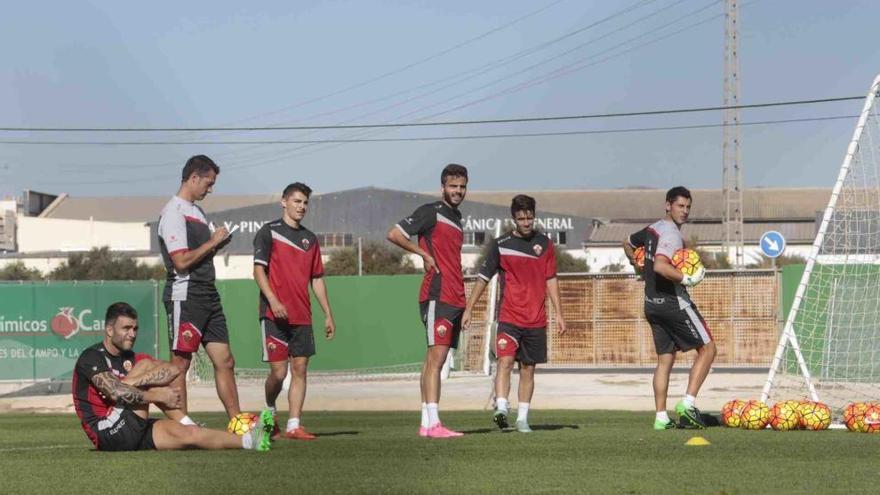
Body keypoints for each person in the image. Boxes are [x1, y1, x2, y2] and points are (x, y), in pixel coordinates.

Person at [72, 302, 274, 451]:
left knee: (190, 435)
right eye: (126, 328)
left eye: (135, 329)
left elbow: (173, 370)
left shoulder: (131, 357)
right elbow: (115, 392)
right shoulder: (91, 356)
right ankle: (186, 421)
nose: (132, 334)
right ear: (109, 330)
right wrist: (157, 396)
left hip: (130, 426)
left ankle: (251, 441)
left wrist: (131, 382)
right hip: (107, 432)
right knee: (146, 367)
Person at [462, 195, 567, 433]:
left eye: (529, 217)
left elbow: (551, 279)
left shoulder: (545, 245)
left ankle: (522, 419)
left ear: (534, 216)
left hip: (536, 318)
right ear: (514, 219)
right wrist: (469, 308)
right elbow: (483, 278)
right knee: (505, 361)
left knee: (528, 369)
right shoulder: (501, 244)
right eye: (521, 219)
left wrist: (559, 313)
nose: (526, 222)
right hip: (509, 317)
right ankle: (501, 407)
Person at [157, 154, 243, 426]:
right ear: (194, 177)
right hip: (186, 294)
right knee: (180, 365)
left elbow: (200, 254)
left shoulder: (197, 212)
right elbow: (181, 262)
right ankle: (183, 426)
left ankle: (237, 422)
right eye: (209, 182)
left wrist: (218, 244)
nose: (211, 188)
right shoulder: (173, 212)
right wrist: (212, 242)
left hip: (208, 294)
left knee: (226, 360)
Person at [386, 163, 468, 438]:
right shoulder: (430, 212)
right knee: (437, 359)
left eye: (462, 187)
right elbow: (394, 234)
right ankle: (434, 423)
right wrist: (423, 253)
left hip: (455, 296)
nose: (457, 191)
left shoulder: (456, 218)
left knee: (434, 360)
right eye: (453, 186)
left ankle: (426, 423)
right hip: (437, 294)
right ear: (442, 187)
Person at [623, 186, 714, 429]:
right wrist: (687, 279)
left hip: (651, 303)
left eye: (688, 207)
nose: (684, 211)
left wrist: (635, 263)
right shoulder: (672, 234)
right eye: (680, 206)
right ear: (667, 205)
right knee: (708, 349)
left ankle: (661, 418)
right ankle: (688, 404)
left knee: (665, 359)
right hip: (673, 303)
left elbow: (627, 243)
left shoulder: (653, 229)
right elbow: (661, 266)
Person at [253, 182, 336, 440]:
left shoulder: (310, 239)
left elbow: (317, 279)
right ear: (284, 202)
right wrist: (273, 300)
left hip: (303, 317)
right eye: (297, 201)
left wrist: (328, 313)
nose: (301, 207)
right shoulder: (268, 232)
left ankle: (294, 425)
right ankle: (269, 411)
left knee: (300, 369)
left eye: (305, 203)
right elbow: (258, 271)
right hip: (273, 315)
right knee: (279, 373)